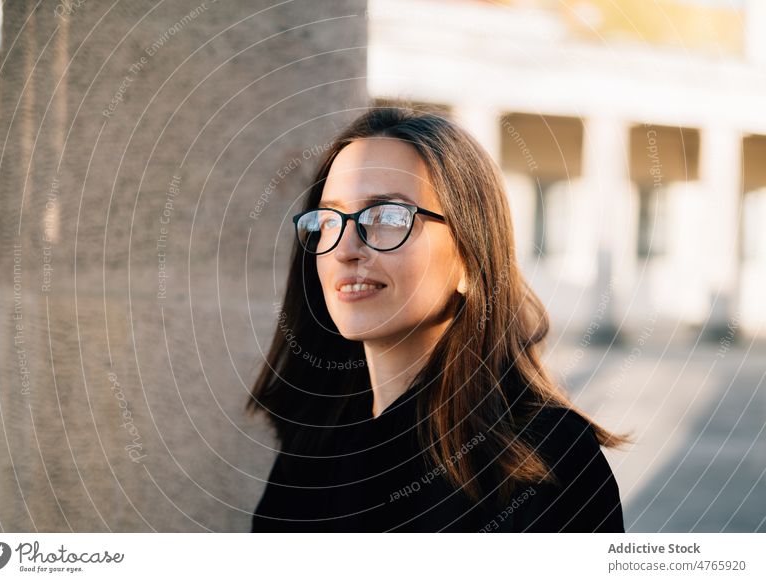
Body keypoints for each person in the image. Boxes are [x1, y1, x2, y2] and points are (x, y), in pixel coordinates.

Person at [246, 103, 633, 532]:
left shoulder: (544, 455)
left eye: (389, 217)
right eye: (328, 220)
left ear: (469, 259)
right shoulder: (315, 444)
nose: (345, 248)